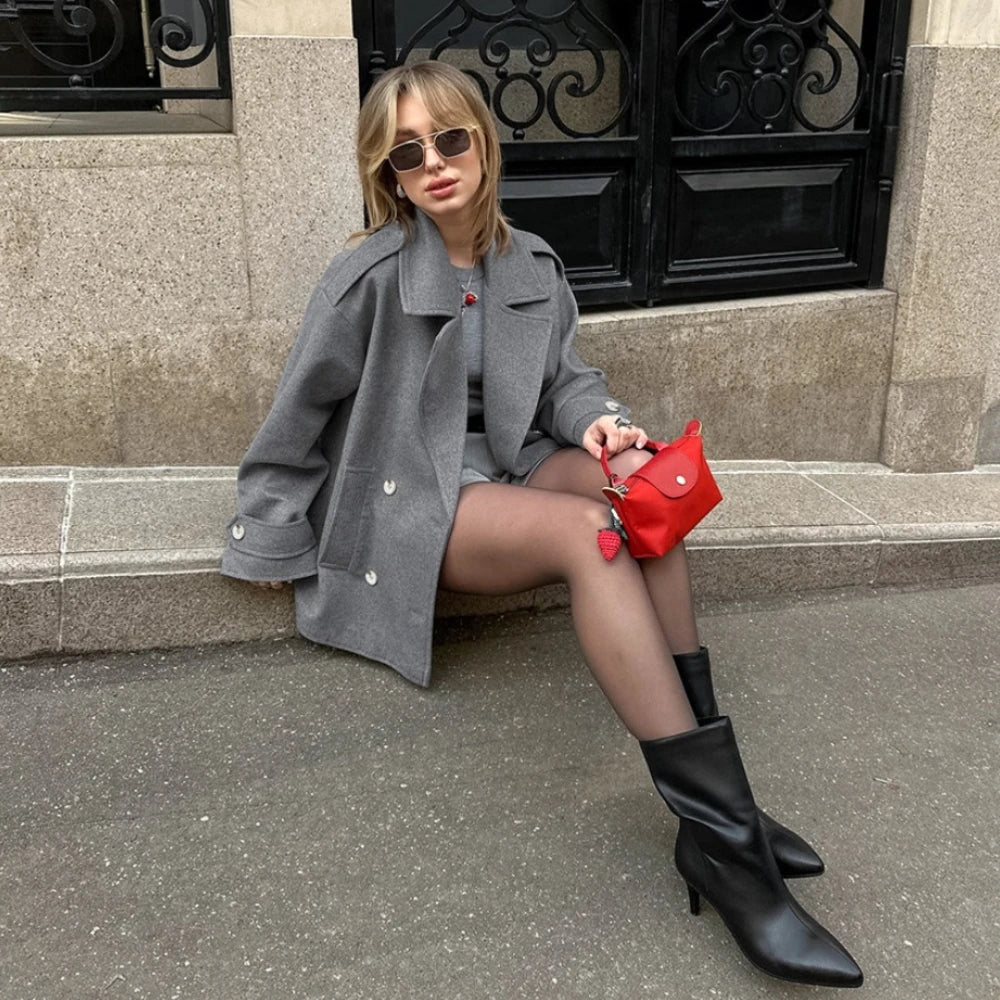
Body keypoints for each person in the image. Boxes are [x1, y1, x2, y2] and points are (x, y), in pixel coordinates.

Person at [221, 60, 862, 989]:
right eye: (408, 153)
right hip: (424, 498)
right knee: (588, 536)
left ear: (483, 141)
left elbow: (564, 381)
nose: (434, 163)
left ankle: (724, 820)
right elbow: (297, 412)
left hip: (515, 466)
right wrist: (270, 528)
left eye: (450, 139)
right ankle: (731, 857)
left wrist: (602, 426)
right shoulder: (365, 278)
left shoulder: (532, 263)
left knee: (646, 499)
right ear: (387, 173)